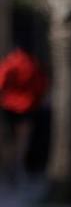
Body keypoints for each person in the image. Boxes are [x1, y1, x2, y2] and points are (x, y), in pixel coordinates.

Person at [0, 41, 49, 184]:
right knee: (23, 139)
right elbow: (41, 85)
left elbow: (1, 82)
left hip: (9, 106)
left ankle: (10, 165)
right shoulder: (32, 63)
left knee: (9, 140)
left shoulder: (10, 63)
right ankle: (19, 165)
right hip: (27, 106)